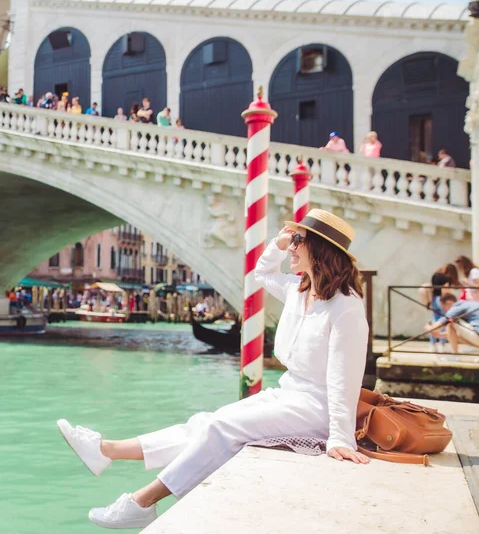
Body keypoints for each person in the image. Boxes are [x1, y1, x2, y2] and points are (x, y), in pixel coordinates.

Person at [56, 209, 369, 529]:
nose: (291, 246)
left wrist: (340, 438)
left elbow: (345, 377)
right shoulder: (297, 289)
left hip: (318, 407)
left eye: (298, 240)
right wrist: (277, 242)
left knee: (220, 428)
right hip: (288, 393)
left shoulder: (347, 305)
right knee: (205, 422)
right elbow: (261, 272)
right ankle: (105, 450)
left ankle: (142, 501)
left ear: (319, 249)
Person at [420, 264, 461, 352]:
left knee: (435, 322)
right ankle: (442, 344)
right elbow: (445, 291)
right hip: (442, 300)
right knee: (443, 322)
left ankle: (433, 344)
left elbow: (432, 289)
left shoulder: (435, 275)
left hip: (434, 300)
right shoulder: (445, 278)